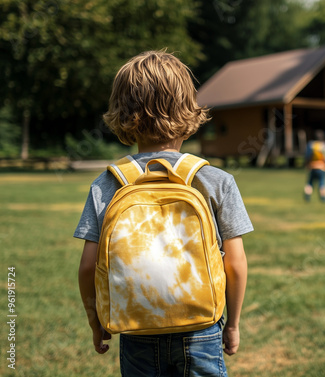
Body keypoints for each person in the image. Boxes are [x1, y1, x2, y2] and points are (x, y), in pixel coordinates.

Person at [75, 50, 253, 376]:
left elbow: (88, 267)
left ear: (123, 113)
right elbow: (236, 264)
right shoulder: (216, 180)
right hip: (201, 327)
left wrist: (96, 322)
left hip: (136, 328)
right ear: (189, 109)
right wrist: (233, 324)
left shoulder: (107, 183)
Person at [303, 129, 325, 202]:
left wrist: (307, 164)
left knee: (310, 182)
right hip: (322, 167)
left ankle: (307, 196)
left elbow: (307, 156)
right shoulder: (324, 145)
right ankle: (323, 198)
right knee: (322, 183)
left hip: (312, 167)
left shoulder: (310, 145)